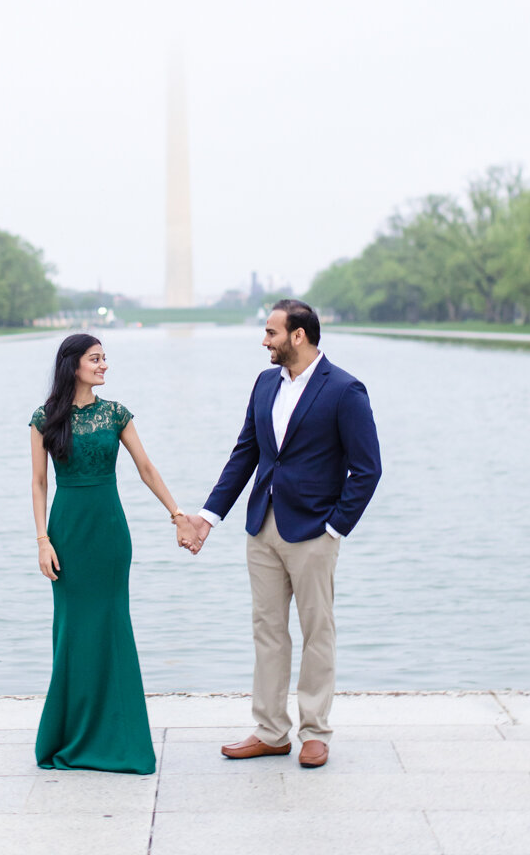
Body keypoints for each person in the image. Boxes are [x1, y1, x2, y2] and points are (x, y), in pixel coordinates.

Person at [187, 300, 381, 768]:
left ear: (298, 336)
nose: (264, 340)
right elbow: (245, 454)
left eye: (272, 332)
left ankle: (315, 731)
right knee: (268, 631)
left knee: (318, 631)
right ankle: (272, 731)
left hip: (314, 530)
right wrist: (207, 517)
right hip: (262, 527)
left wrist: (335, 526)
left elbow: (368, 469)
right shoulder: (263, 383)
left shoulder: (345, 390)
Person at [30, 333, 200, 774]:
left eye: (105, 359)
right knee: (71, 631)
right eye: (95, 359)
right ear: (73, 365)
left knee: (110, 626)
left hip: (108, 534)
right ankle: (68, 735)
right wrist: (42, 541)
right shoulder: (44, 417)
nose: (104, 366)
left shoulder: (115, 414)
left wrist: (178, 514)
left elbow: (146, 468)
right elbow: (39, 483)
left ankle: (118, 736)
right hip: (66, 532)